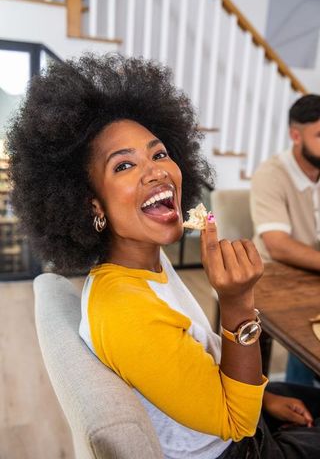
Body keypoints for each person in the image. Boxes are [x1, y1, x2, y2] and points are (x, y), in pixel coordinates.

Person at [6, 54, 320, 458]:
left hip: (233, 405)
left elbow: (204, 364)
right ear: (92, 205)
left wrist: (264, 400)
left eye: (158, 154)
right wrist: (239, 304)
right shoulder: (125, 311)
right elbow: (236, 423)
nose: (156, 172)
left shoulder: (146, 261)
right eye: (123, 166)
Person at [251, 94, 320, 387]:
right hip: (272, 270)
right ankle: (298, 394)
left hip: (312, 270)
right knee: (304, 327)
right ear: (295, 135)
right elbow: (277, 244)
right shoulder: (271, 174)